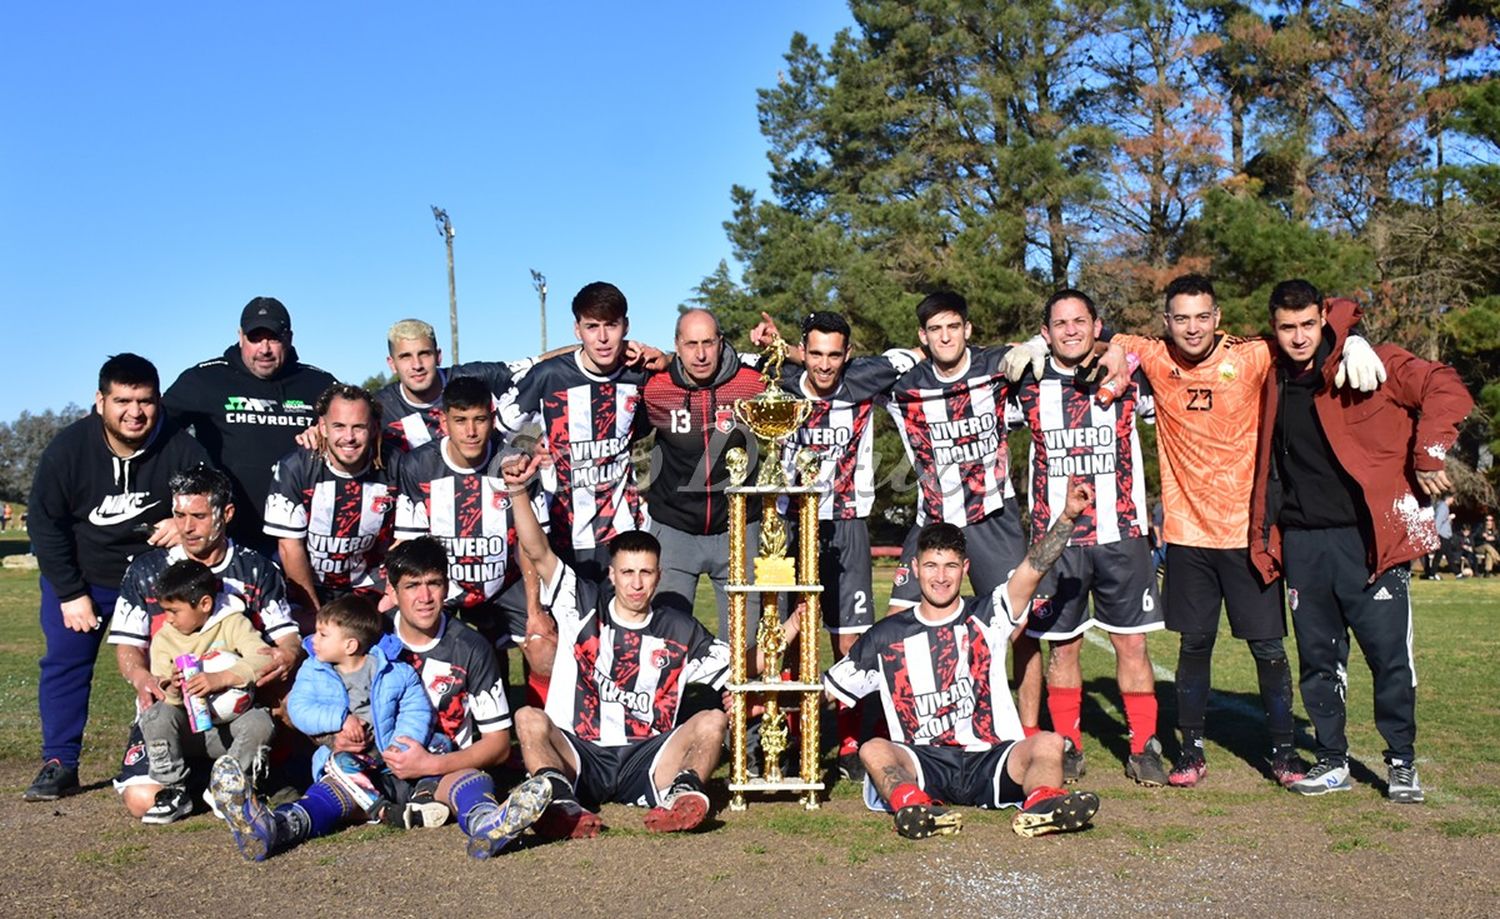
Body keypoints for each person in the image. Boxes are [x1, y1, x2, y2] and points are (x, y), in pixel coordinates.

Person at [1097, 274, 1384, 788]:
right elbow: (1093, 336)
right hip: (1187, 535)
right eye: (1181, 317)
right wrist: (1108, 348)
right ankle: (1191, 752)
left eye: (1202, 316)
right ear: (1166, 322)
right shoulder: (1154, 356)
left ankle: (1283, 752)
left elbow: (1320, 319)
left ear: (1218, 317)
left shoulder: (1252, 355)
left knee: (1269, 649)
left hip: (1247, 534)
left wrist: (1354, 338)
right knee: (1194, 646)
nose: (1192, 327)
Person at [1250, 280, 1473, 802]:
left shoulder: (1372, 360)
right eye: (1287, 327)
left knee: (1389, 657)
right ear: (1274, 327)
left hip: (1371, 539)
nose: (1299, 337)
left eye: (1308, 324)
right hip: (1303, 541)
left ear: (1323, 317)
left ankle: (1401, 763)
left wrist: (1429, 452)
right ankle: (1332, 761)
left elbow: (1446, 387)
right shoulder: (1272, 374)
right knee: (1318, 661)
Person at [825, 482, 1102, 839]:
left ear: (965, 568)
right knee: (874, 749)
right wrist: (757, 702)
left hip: (992, 758)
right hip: (924, 761)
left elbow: (1033, 568)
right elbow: (830, 690)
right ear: (916, 567)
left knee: (1049, 742)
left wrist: (1067, 517)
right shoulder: (886, 636)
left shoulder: (988, 615)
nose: (941, 577)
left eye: (950, 566)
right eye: (932, 566)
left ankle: (1043, 805)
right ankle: (914, 806)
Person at [503, 451, 732, 838]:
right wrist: (517, 490)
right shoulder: (581, 604)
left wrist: (793, 627)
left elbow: (739, 667)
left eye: (645, 573)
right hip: (580, 750)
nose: (636, 583)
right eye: (627, 572)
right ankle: (560, 802)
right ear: (612, 574)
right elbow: (539, 552)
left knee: (712, 720)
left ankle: (683, 795)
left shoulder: (679, 628)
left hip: (648, 755)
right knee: (528, 718)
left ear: (659, 577)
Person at [24, 353, 208, 802]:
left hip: (156, 583)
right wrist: (70, 593)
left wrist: (180, 522)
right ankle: (59, 762)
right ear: (100, 401)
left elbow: (209, 496)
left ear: (158, 402)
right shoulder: (69, 449)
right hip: (87, 579)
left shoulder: (179, 447)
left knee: (178, 663)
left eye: (145, 401)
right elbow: (44, 523)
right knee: (66, 663)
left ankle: (183, 757)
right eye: (122, 400)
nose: (135, 411)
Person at [1008, 290, 1167, 786]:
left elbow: (1175, 367)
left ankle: (1144, 748)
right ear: (1045, 332)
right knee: (1064, 649)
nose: (1071, 330)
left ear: (1098, 326)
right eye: (1060, 323)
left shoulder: (1129, 377)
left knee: (1132, 646)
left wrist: (1125, 350)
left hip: (1122, 536)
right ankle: (1069, 742)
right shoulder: (1024, 386)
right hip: (1058, 542)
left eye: (1080, 321)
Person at [108, 465, 303, 817]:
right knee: (140, 800)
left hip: (236, 708)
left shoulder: (257, 570)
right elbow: (127, 647)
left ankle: (255, 772)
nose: (186, 527)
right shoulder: (145, 570)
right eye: (179, 515)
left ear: (225, 514)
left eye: (198, 516)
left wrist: (283, 658)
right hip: (173, 711)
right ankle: (199, 781)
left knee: (288, 693)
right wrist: (143, 679)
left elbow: (287, 639)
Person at [496, 282, 652, 584]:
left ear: (626, 327)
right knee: (569, 630)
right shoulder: (548, 376)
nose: (603, 337)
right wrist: (527, 451)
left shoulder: (639, 373)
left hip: (623, 532)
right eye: (592, 326)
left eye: (612, 325)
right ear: (577, 330)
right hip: (560, 533)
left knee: (622, 627)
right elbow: (498, 432)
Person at [392, 375, 549, 667]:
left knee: (545, 649)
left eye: (479, 419)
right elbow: (409, 543)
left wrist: (535, 609)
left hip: (506, 581)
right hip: (443, 586)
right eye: (460, 420)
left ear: (492, 420)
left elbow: (531, 546)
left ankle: (533, 714)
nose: (471, 431)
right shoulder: (417, 465)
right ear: (443, 421)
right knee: (414, 647)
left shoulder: (515, 459)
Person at [164, 297, 337, 553]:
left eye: (274, 338)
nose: (264, 349)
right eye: (255, 338)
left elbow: (361, 432)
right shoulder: (204, 379)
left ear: (289, 338)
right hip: (226, 538)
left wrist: (327, 433)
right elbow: (152, 435)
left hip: (301, 540)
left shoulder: (318, 383)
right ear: (240, 336)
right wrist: (180, 513)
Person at [641, 308, 766, 636]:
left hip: (739, 529)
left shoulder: (752, 381)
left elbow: (810, 368)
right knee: (666, 640)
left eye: (708, 343)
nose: (700, 354)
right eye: (691, 344)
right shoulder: (654, 387)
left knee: (745, 642)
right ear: (677, 346)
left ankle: (731, 691)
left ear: (721, 343)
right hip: (674, 531)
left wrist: (784, 348)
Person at [135, 560, 276, 825]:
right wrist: (175, 688)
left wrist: (223, 678)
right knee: (155, 716)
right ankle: (173, 790)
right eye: (165, 611)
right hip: (188, 729)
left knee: (260, 722)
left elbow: (264, 658)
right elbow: (164, 689)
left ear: (205, 604)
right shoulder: (165, 638)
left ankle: (227, 788)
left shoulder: (233, 623)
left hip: (230, 727)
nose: (169, 619)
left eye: (175, 611)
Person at [264, 384, 398, 617]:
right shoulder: (294, 468)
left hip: (370, 586)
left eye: (359, 427)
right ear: (323, 427)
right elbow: (289, 547)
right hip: (309, 588)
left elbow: (405, 539)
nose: (349, 437)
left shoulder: (396, 465)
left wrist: (392, 592)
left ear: (375, 428)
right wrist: (315, 612)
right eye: (339, 426)